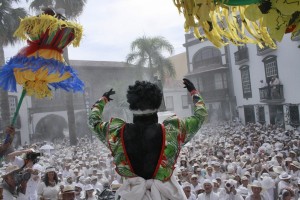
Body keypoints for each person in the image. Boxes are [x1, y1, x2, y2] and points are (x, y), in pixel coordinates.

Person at [88, 79, 207, 200]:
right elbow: (200, 115)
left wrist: (103, 100)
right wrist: (194, 92)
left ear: (132, 110)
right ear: (157, 108)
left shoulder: (116, 133)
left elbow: (93, 121)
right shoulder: (173, 131)